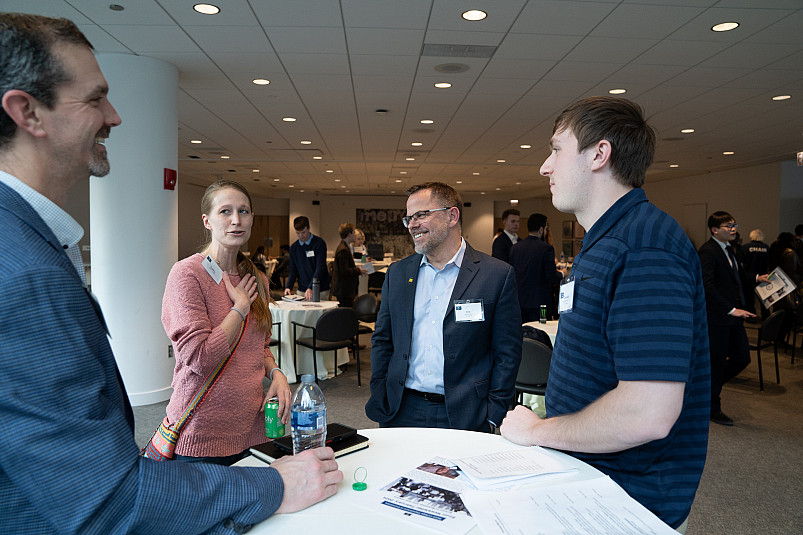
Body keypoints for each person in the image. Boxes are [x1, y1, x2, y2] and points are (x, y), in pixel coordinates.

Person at [0, 13, 341, 532]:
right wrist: (277, 485)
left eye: (244, 211)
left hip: (249, 427)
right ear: (27, 112)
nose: (114, 116)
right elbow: (100, 499)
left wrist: (273, 373)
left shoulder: (33, 243)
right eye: (95, 98)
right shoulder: (24, 270)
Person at [499, 96, 710, 532]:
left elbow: (647, 412)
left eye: (557, 149)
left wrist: (539, 431)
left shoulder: (646, 245)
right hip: (592, 483)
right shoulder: (605, 240)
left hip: (627, 502)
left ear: (599, 154)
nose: (545, 166)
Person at [365, 182, 521, 432]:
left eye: (421, 215)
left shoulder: (496, 275)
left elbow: (507, 353)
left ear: (452, 216)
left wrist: (494, 413)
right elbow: (383, 339)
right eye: (408, 218)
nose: (412, 224)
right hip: (401, 410)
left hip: (467, 413)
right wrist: (380, 389)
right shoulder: (398, 273)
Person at [161, 180, 292, 464]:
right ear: (207, 221)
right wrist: (240, 309)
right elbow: (199, 357)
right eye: (225, 211)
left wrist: (277, 373)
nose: (236, 220)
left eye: (243, 211)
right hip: (202, 434)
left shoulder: (256, 278)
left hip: (254, 431)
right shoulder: (187, 274)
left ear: (252, 218)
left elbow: (259, 346)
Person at [699, 212, 768, 427]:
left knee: (741, 358)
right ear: (714, 229)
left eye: (734, 225)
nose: (733, 229)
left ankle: (704, 390)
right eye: (727, 225)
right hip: (719, 316)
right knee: (717, 362)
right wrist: (730, 309)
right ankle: (712, 405)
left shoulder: (731, 249)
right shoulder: (708, 251)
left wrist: (757, 278)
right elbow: (706, 285)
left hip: (734, 314)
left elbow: (737, 276)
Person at [509, 213, 566, 321]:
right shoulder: (546, 248)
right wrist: (562, 273)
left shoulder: (515, 248)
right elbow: (550, 276)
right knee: (540, 334)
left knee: (522, 333)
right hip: (540, 302)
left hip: (519, 301)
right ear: (541, 229)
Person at [284, 215, 330, 300]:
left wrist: (311, 287)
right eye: (298, 233)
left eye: (303, 232)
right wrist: (288, 287)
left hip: (320, 289)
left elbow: (320, 267)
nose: (301, 236)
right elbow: (293, 270)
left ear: (309, 228)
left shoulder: (319, 243)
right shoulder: (294, 247)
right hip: (302, 290)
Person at [331, 222, 367, 308]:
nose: (355, 235)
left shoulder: (344, 247)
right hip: (344, 291)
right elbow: (344, 271)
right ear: (349, 234)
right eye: (354, 233)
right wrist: (359, 270)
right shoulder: (343, 250)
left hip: (344, 290)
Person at [740, 229, 769, 315]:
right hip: (763, 277)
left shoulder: (745, 247)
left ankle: (751, 316)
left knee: (749, 299)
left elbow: (739, 262)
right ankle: (766, 316)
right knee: (764, 299)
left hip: (749, 277)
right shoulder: (766, 247)